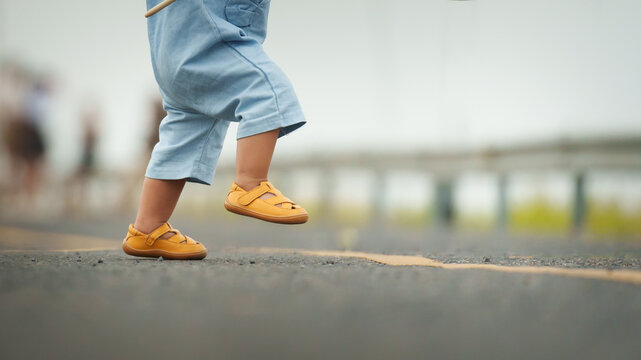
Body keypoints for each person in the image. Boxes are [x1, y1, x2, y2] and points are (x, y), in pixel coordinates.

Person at [122, 0, 308, 260]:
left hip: (171, 49)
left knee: (186, 128)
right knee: (267, 90)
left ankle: (147, 228)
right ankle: (250, 184)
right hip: (209, 38)